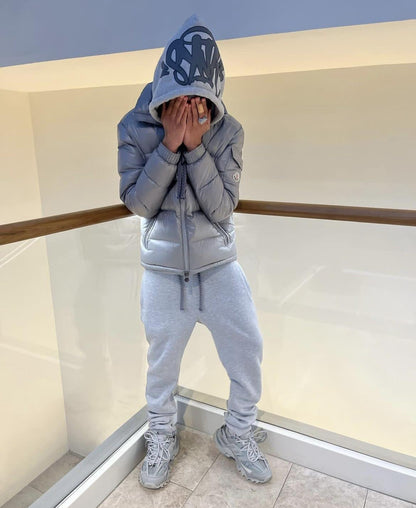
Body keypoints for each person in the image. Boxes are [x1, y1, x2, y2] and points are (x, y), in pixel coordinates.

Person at [117, 13, 272, 489]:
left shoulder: (229, 131)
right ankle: (162, 436)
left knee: (247, 350)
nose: (190, 107)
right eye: (179, 99)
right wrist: (169, 146)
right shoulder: (133, 126)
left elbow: (222, 207)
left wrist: (197, 147)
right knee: (161, 366)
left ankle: (237, 432)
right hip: (162, 273)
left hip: (220, 268)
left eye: (200, 100)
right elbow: (139, 203)